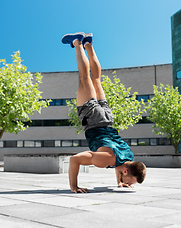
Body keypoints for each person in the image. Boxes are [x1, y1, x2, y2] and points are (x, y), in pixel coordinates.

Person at [61, 32, 146, 193]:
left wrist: (119, 182)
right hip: (93, 120)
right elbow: (75, 160)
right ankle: (77, 42)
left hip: (107, 118)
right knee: (84, 78)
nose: (130, 183)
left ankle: (88, 44)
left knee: (96, 79)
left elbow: (117, 164)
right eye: (130, 181)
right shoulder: (104, 160)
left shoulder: (129, 157)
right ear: (126, 172)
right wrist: (74, 186)